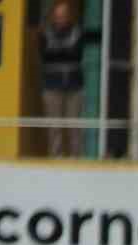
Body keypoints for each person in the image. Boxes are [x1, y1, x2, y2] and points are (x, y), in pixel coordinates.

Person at [40, 3, 92, 158]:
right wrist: (64, 51)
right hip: (52, 84)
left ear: (69, 16)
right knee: (54, 125)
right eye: (58, 15)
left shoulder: (76, 31)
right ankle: (56, 156)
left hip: (74, 85)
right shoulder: (46, 33)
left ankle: (76, 157)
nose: (61, 18)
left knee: (74, 125)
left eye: (64, 15)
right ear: (53, 16)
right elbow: (45, 54)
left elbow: (77, 53)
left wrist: (57, 50)